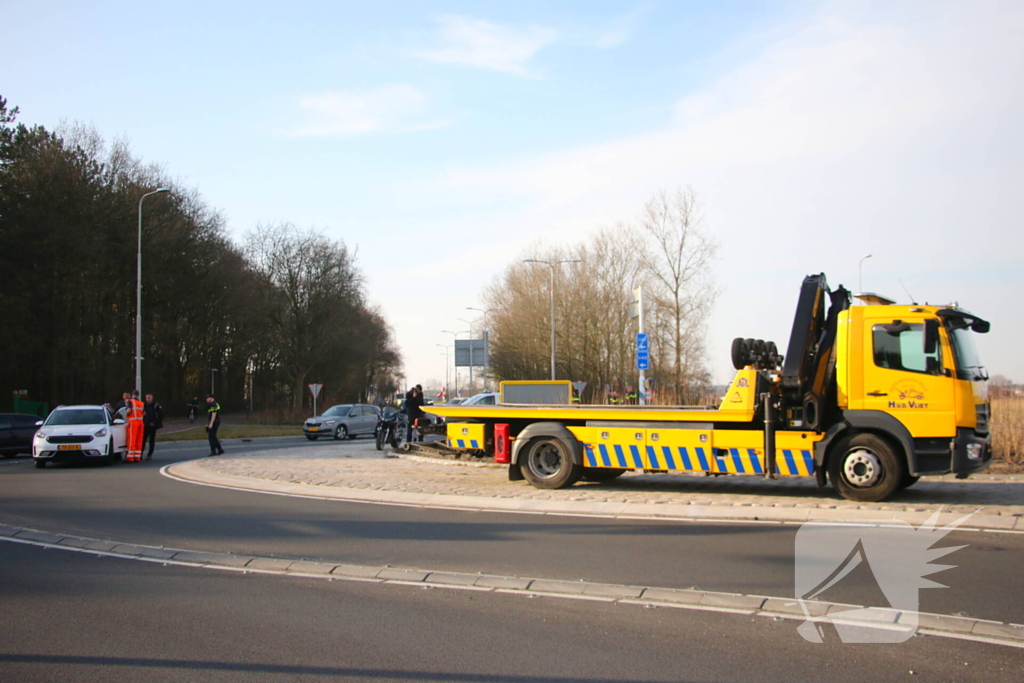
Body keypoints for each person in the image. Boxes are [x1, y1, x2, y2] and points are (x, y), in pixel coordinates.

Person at [125, 390, 146, 462]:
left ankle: (130, 457)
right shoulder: (141, 403)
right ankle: (137, 457)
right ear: (138, 395)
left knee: (131, 439)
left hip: (133, 422)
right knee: (139, 440)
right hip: (140, 422)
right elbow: (144, 413)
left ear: (132, 395)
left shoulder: (130, 402)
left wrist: (125, 415)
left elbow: (128, 410)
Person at [143, 393, 164, 460]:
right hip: (145, 425)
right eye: (147, 397)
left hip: (152, 426)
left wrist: (154, 423)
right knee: (143, 440)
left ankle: (150, 454)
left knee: (151, 440)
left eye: (149, 397)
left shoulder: (156, 405)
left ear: (152, 398)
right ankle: (140, 454)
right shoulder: (144, 405)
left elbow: (161, 415)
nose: (148, 399)